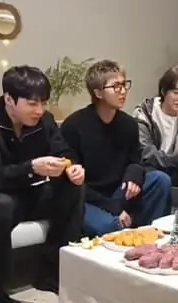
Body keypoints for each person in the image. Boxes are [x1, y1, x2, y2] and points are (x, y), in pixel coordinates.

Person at [0, 66, 84, 303]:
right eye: (32, 103)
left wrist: (72, 167)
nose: (39, 110)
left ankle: (51, 273)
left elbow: (64, 152)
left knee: (73, 187)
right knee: (0, 205)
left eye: (43, 103)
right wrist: (31, 168)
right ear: (9, 99)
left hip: (33, 193)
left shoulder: (45, 121)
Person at [61, 60, 172, 236]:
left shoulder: (128, 124)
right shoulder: (74, 126)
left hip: (118, 191)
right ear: (98, 92)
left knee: (160, 180)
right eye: (115, 86)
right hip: (87, 198)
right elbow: (72, 183)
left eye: (124, 84)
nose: (123, 91)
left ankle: (152, 236)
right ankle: (128, 232)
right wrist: (114, 207)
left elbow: (135, 160)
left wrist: (133, 175)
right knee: (112, 227)